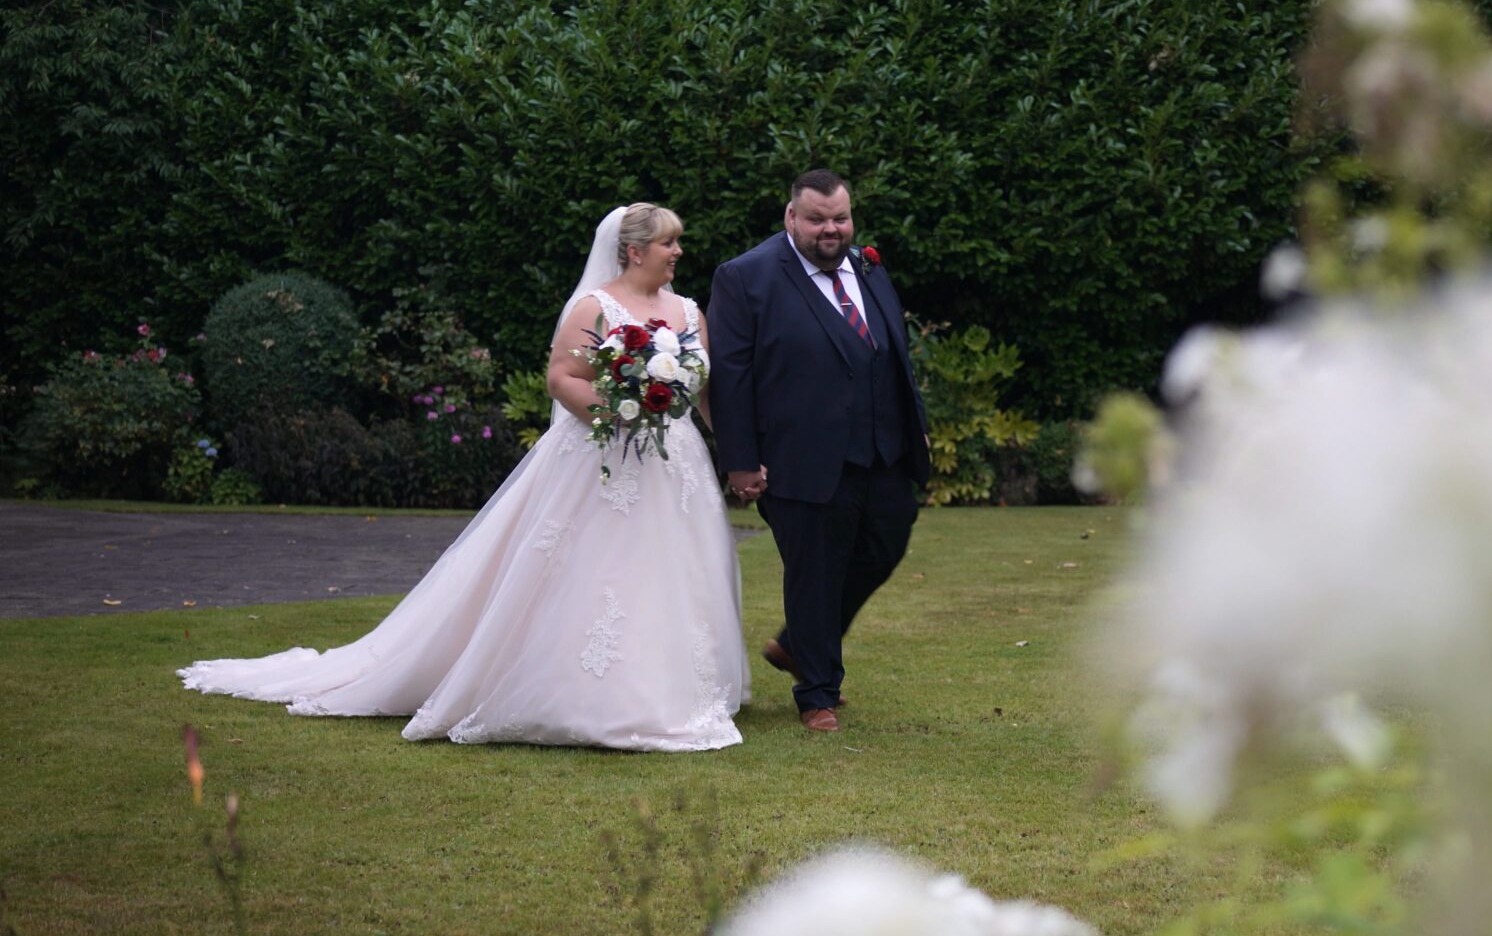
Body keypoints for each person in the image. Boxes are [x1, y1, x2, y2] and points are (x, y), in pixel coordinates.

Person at [179, 204, 749, 752]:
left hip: (675, 465)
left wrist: (734, 451)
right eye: (668, 241)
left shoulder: (687, 311)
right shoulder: (594, 307)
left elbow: (701, 388)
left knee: (672, 571)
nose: (677, 251)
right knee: (600, 571)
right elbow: (561, 376)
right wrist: (618, 412)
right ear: (633, 250)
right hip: (604, 457)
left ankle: (674, 684)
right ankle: (592, 694)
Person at [707, 170, 931, 732]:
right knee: (815, 570)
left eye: (840, 218)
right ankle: (817, 694)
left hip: (883, 451)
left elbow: (894, 354)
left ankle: (796, 645)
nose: (831, 230)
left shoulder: (868, 266)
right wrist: (739, 457)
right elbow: (730, 375)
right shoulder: (745, 277)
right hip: (797, 456)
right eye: (817, 220)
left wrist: (916, 426)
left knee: (884, 545)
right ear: (790, 217)